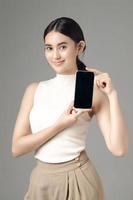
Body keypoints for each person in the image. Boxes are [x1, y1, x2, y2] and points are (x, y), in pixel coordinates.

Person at [12, 17, 129, 200]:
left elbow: (119, 149)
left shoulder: (93, 91)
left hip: (79, 180)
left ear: (79, 47)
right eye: (49, 48)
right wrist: (60, 125)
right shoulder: (34, 90)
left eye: (62, 46)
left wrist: (112, 95)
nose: (55, 55)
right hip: (41, 182)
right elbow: (17, 148)